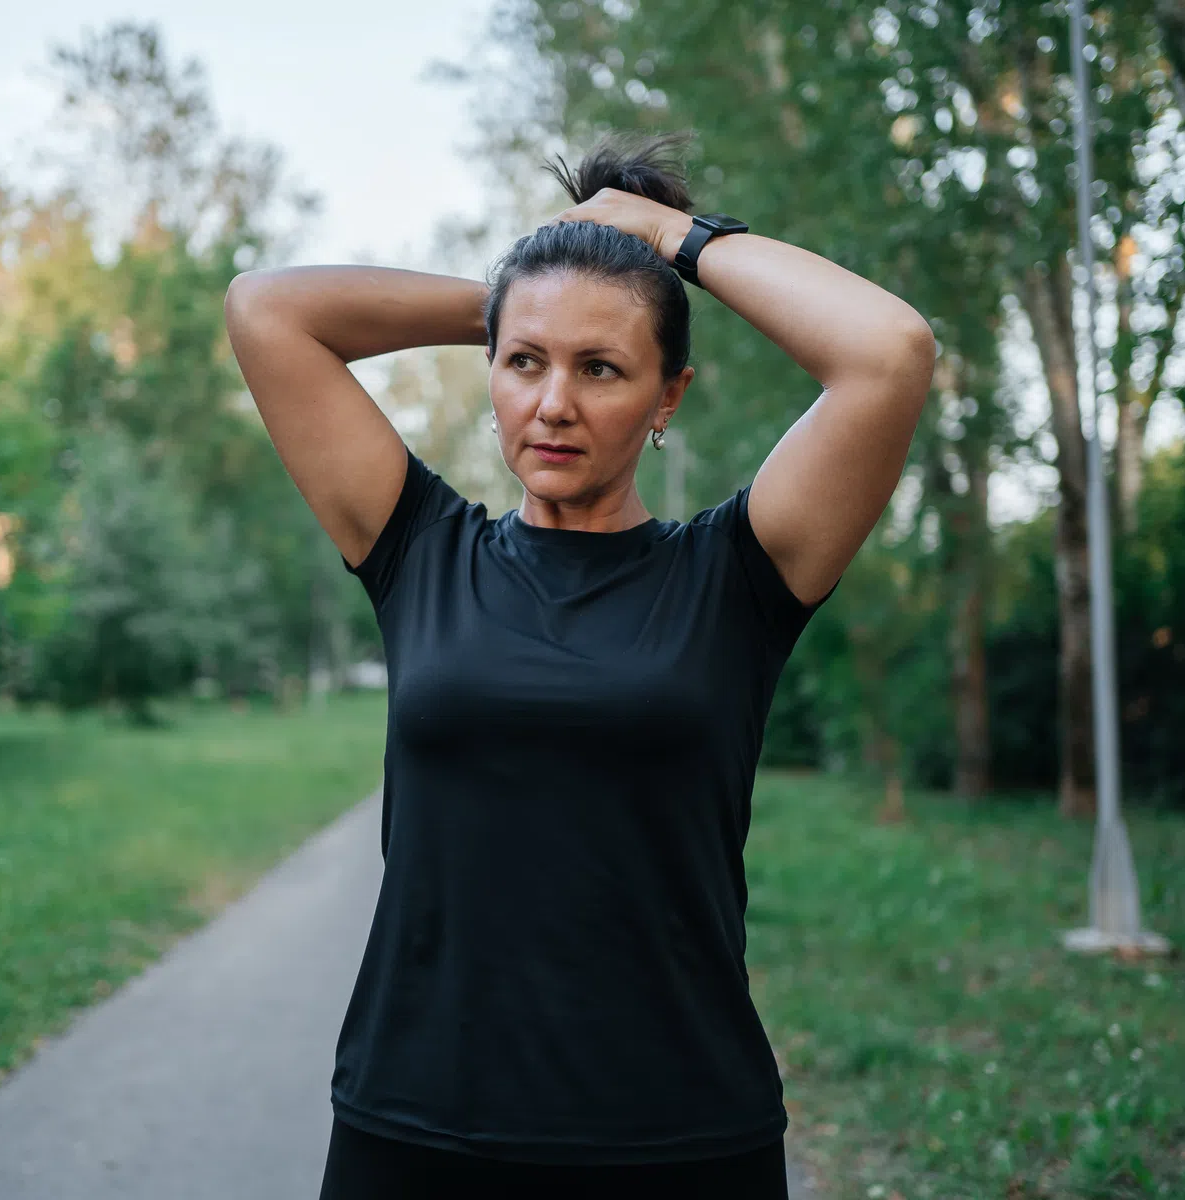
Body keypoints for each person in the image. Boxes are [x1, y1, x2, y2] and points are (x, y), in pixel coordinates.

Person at [224, 131, 935, 1200]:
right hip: (416, 1125)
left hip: (679, 1137)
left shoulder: (735, 578)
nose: (553, 402)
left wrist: (671, 239)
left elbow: (890, 350)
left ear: (667, 399)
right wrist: (528, 297)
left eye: (600, 367)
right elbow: (268, 310)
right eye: (525, 362)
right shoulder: (420, 551)